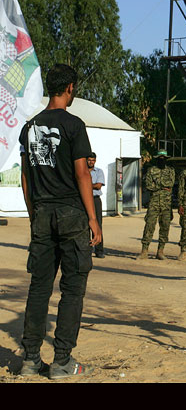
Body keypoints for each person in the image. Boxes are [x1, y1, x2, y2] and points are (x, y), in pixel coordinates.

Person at [18, 63, 101, 379]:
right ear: (70, 88)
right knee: (72, 288)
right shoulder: (74, 125)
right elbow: (82, 173)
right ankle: (62, 361)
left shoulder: (30, 127)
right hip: (71, 215)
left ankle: (29, 360)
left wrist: (32, 214)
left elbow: (27, 178)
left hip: (42, 213)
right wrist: (93, 218)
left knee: (39, 289)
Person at [138, 150, 175, 260]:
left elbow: (171, 183)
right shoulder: (151, 170)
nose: (162, 160)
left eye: (164, 158)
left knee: (165, 227)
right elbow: (148, 185)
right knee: (149, 225)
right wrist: (162, 187)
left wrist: (157, 184)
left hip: (167, 203)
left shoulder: (170, 170)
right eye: (160, 158)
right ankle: (144, 250)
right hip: (154, 202)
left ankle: (160, 251)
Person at [87, 152, 105, 258]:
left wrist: (85, 185)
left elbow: (98, 186)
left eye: (93, 160)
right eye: (89, 160)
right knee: (85, 225)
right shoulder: (82, 171)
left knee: (97, 224)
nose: (91, 162)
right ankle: (87, 249)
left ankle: (99, 250)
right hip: (84, 200)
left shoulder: (99, 171)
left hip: (95, 200)